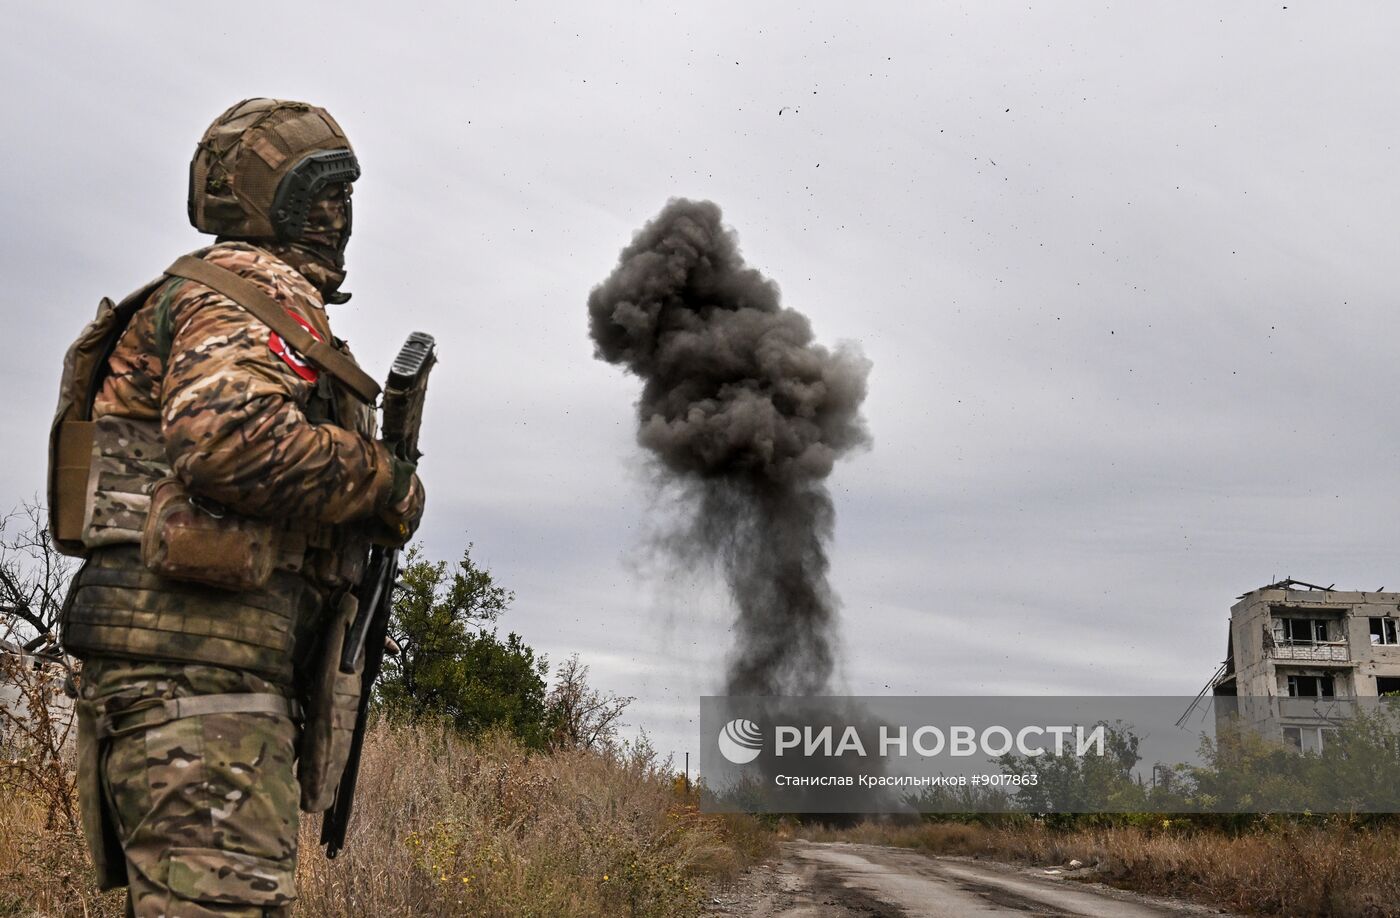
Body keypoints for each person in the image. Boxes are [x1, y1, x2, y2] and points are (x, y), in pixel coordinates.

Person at [58, 98, 424, 917]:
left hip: (199, 684)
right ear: (286, 203)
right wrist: (383, 481)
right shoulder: (247, 293)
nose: (343, 216)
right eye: (327, 193)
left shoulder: (241, 299)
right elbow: (227, 441)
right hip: (197, 687)